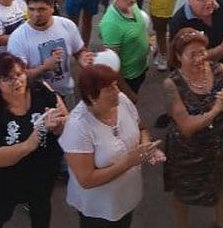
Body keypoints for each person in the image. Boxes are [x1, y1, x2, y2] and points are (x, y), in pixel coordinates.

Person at [162, 28, 223, 228]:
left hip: (220, 146)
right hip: (187, 151)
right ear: (178, 57)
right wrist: (215, 110)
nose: (199, 59)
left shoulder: (221, 70)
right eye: (191, 55)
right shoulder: (172, 84)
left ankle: (222, 219)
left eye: (202, 52)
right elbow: (186, 127)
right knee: (182, 191)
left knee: (222, 183)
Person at [60, 64, 164, 227]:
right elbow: (86, 180)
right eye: (109, 88)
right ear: (92, 96)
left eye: (116, 85)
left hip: (126, 196)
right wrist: (128, 161)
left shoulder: (121, 101)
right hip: (99, 207)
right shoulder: (78, 126)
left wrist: (147, 147)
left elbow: (141, 128)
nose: (117, 91)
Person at [0, 52, 67, 228]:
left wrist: (58, 125)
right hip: (3, 178)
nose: (17, 81)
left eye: (19, 74)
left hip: (41, 172)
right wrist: (28, 145)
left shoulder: (41, 90)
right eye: (8, 78)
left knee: (41, 211)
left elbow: (65, 119)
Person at [7, 0, 91, 100]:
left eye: (41, 9)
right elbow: (18, 76)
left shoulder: (67, 25)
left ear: (52, 8)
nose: (36, 14)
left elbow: (79, 51)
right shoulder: (18, 38)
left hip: (67, 91)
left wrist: (83, 59)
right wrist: (44, 68)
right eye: (31, 9)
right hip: (37, 97)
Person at [98, 0, 150, 95]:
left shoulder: (132, 5)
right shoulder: (111, 24)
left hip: (141, 67)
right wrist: (128, 92)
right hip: (129, 77)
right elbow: (112, 65)